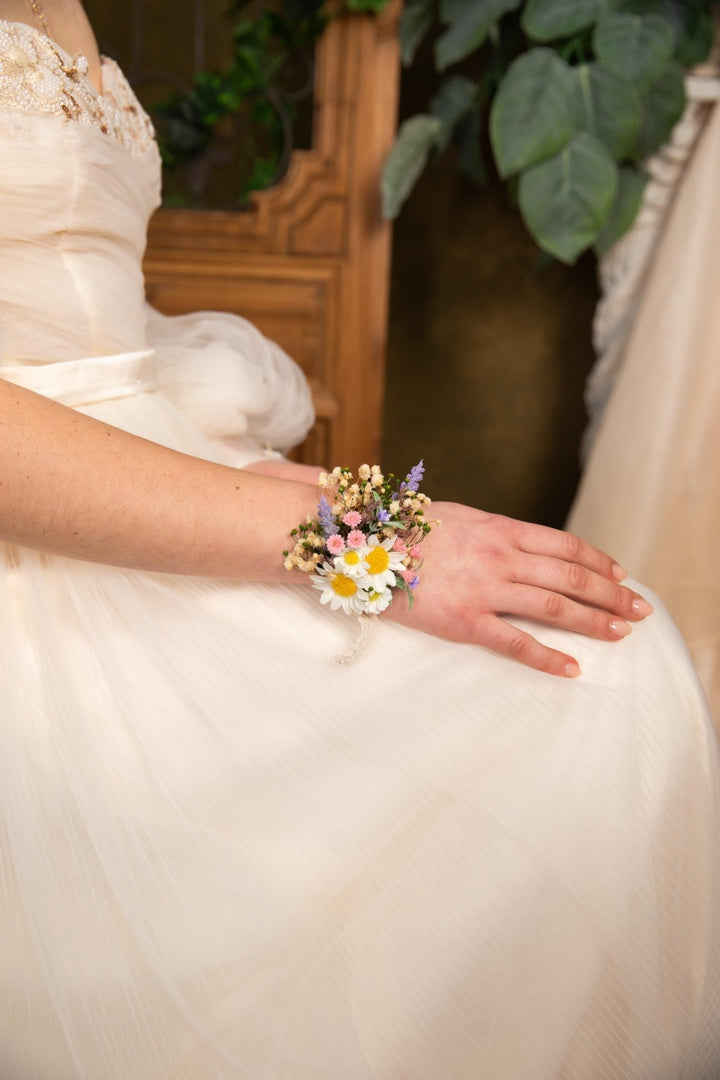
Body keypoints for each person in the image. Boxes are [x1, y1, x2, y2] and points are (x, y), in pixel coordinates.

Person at [0, 2, 718, 1077]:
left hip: (149, 483)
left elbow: (72, 319)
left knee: (611, 669)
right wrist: (352, 536)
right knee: (592, 714)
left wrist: (316, 492)